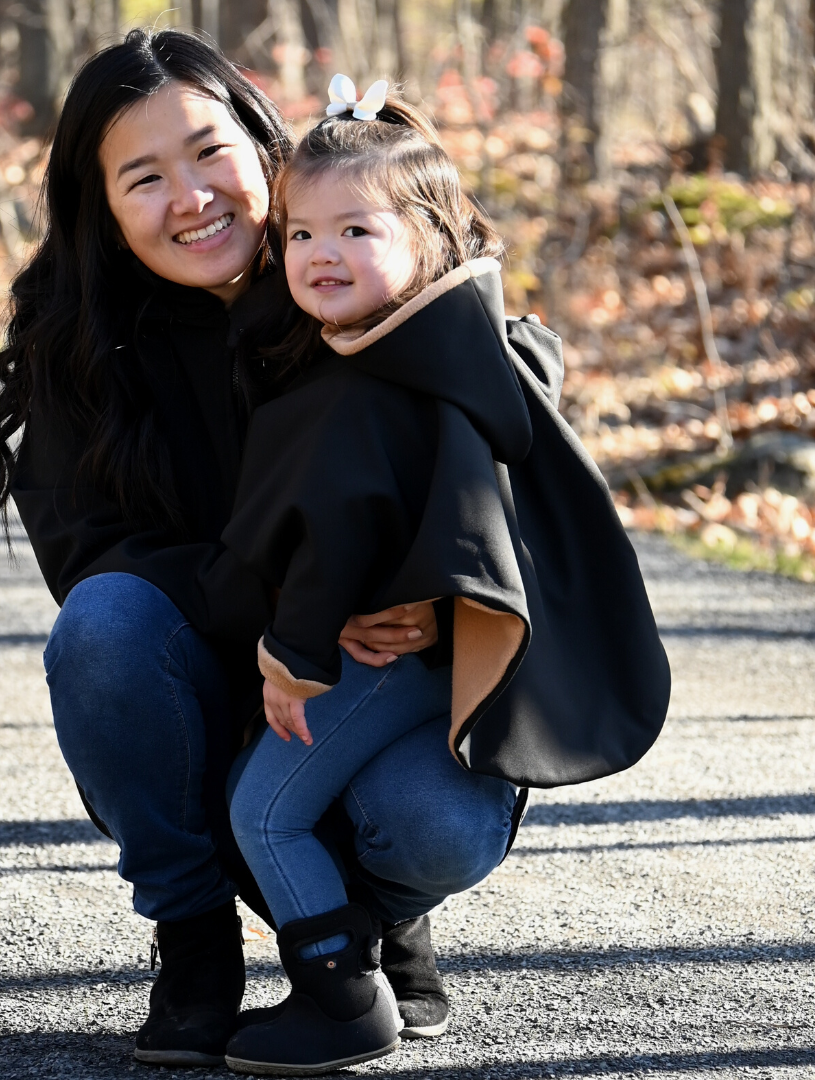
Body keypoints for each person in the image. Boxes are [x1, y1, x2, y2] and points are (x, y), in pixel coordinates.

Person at [0, 30, 518, 1069]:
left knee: (435, 823)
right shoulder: (81, 343)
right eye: (144, 178)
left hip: (377, 686)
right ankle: (194, 942)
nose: (191, 198)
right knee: (103, 625)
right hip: (208, 693)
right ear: (101, 205)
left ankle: (370, 925)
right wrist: (291, 608)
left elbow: (496, 462)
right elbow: (89, 554)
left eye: (209, 151)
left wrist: (436, 592)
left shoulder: (359, 278)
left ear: (266, 147)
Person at [220, 79, 670, 1074]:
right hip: (458, 658)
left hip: (382, 660)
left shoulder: (366, 384)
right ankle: (388, 962)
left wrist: (291, 660)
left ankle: (339, 997)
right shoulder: (470, 350)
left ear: (428, 239)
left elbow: (334, 537)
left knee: (263, 810)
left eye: (357, 231)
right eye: (301, 234)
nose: (322, 254)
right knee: (307, 803)